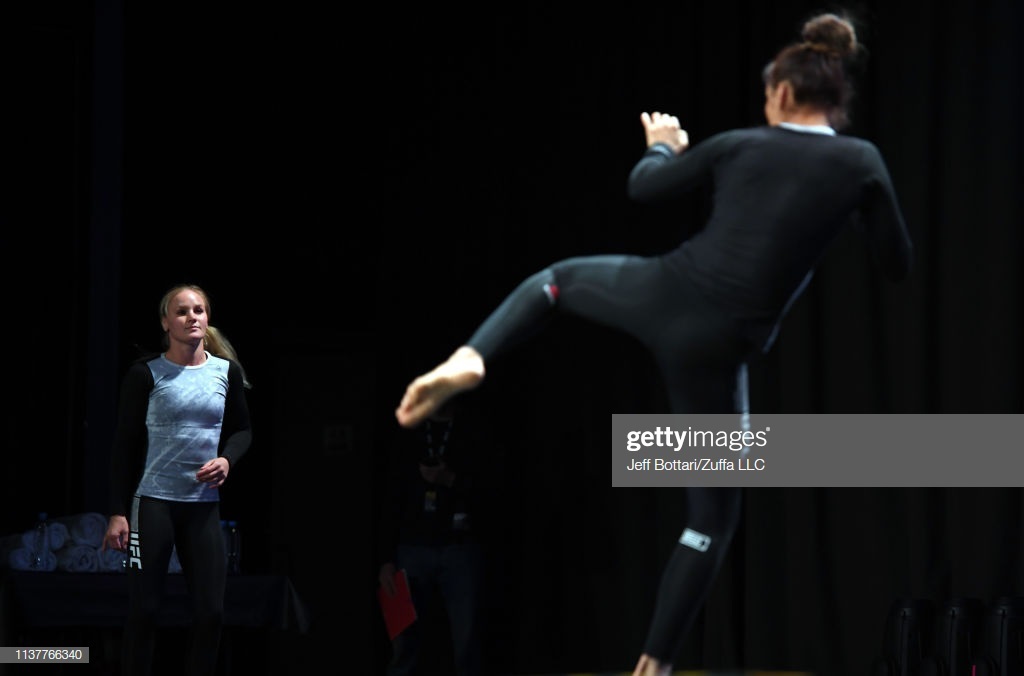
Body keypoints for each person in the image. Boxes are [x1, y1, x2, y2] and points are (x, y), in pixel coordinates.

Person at [393, 11, 913, 676]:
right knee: (710, 522)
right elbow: (896, 264)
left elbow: (644, 187)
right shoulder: (862, 162)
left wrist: (663, 145)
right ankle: (656, 660)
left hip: (667, 293)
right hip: (724, 347)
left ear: (781, 93)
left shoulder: (738, 145)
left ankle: (470, 357)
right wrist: (861, 207)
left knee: (555, 282)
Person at [101, 283, 253, 676]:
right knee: (146, 610)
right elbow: (124, 445)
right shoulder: (147, 373)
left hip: (202, 507)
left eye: (198, 310)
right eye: (182, 311)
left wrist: (227, 460)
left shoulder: (226, 372)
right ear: (166, 323)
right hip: (154, 502)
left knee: (211, 613)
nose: (191, 317)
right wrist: (118, 512)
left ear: (207, 318)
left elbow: (242, 430)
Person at [377, 396, 490, 676]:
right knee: (404, 642)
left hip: (459, 548)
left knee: (467, 643)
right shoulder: (409, 434)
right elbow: (391, 499)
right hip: (411, 548)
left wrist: (449, 479)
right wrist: (386, 559)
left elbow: (493, 493)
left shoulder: (473, 432)